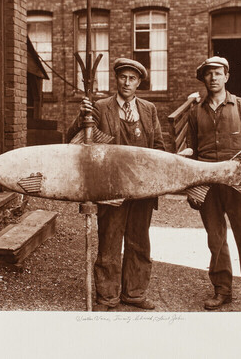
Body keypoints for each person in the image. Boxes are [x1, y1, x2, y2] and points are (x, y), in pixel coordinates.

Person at [67, 58, 165, 312]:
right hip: (111, 189)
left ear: (139, 82)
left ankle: (134, 294)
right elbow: (74, 140)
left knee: (139, 242)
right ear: (116, 79)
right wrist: (82, 118)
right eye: (123, 77)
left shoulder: (149, 110)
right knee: (110, 241)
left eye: (132, 78)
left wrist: (156, 182)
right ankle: (108, 296)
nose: (127, 82)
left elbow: (159, 148)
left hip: (142, 189)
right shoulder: (100, 107)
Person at [186, 56, 241, 312]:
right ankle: (222, 291)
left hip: (237, 185)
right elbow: (191, 150)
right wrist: (192, 185)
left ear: (227, 77)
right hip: (209, 185)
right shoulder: (194, 111)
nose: (213, 77)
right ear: (204, 78)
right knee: (216, 240)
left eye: (218, 72)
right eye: (209, 73)